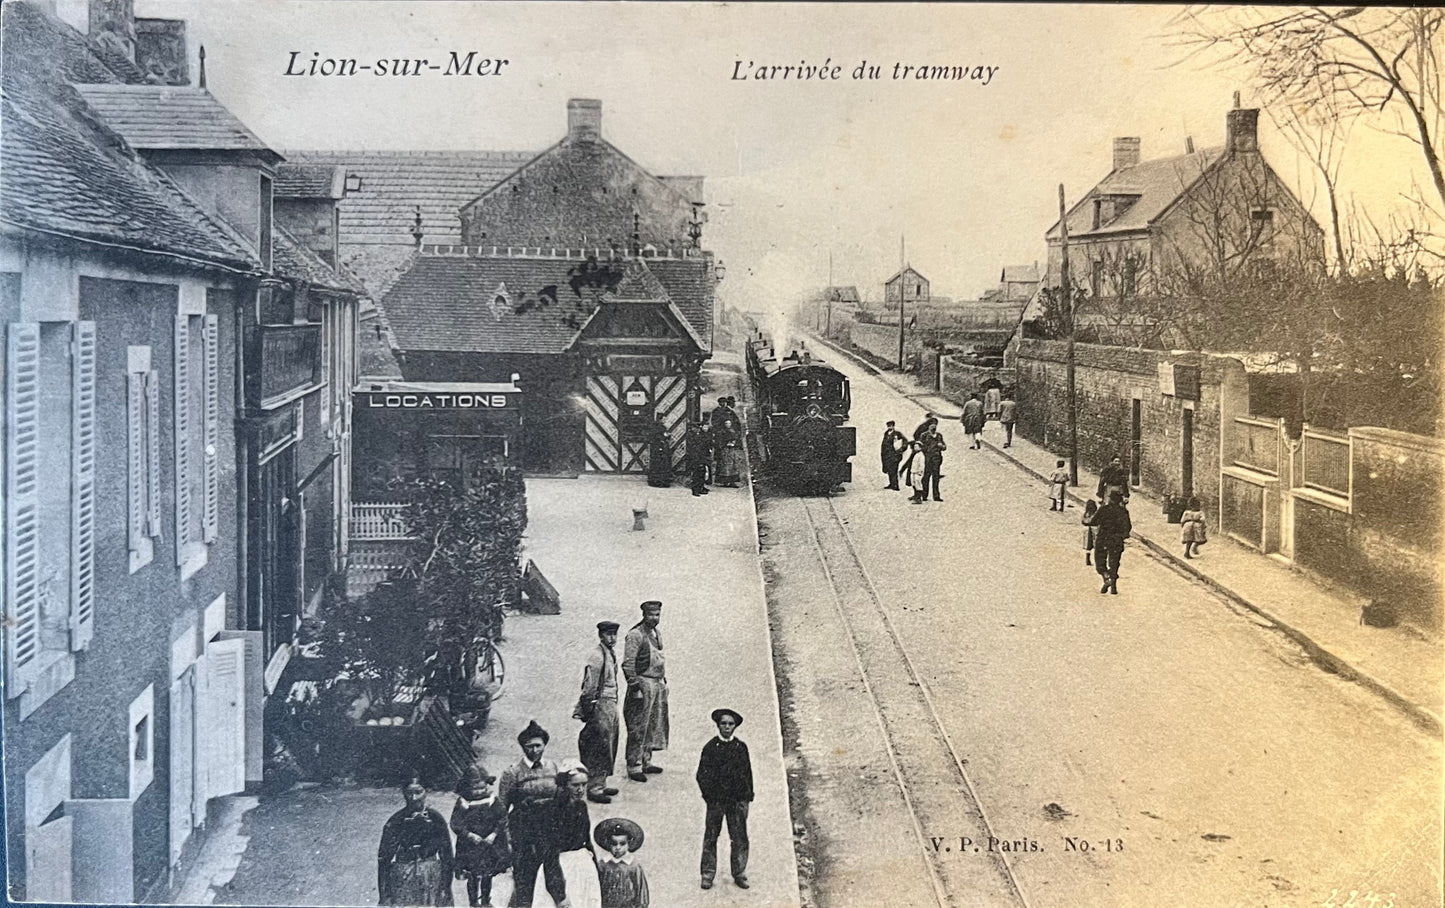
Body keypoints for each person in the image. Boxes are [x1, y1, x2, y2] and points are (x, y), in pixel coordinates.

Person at [498, 721, 565, 908]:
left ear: (544, 745)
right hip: (524, 833)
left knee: (554, 876)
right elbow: (502, 808)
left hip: (549, 830)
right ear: (523, 747)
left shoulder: (553, 767)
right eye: (530, 746)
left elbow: (561, 798)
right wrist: (508, 839)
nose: (535, 750)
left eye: (538, 745)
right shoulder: (512, 773)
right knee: (524, 879)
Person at [696, 708, 753, 891]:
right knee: (711, 837)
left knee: (739, 838)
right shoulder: (711, 748)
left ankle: (739, 873)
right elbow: (701, 775)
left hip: (736, 802)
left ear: (735, 726)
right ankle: (707, 874)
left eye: (730, 724)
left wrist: (747, 798)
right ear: (718, 725)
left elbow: (747, 774)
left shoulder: (740, 748)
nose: (727, 727)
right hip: (717, 802)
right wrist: (710, 797)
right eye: (723, 724)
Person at [378, 778, 455, 906]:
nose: (413, 798)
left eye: (418, 792)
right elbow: (384, 859)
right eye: (409, 793)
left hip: (431, 876)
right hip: (404, 876)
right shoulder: (396, 821)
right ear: (403, 793)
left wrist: (445, 887)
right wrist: (384, 893)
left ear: (426, 792)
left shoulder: (436, 819)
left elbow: (447, 855)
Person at [532, 767, 600, 908]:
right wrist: (560, 896)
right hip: (561, 872)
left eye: (584, 784)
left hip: (583, 869)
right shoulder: (551, 811)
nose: (580, 789)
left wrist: (595, 869)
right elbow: (549, 855)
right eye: (575, 785)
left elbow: (587, 841)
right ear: (564, 785)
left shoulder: (581, 806)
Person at [575, 622, 622, 804]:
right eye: (608, 634)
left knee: (609, 744)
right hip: (600, 703)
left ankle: (601, 782)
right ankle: (593, 787)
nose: (612, 638)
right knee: (598, 745)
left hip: (610, 702)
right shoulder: (597, 656)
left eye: (614, 635)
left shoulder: (609, 653)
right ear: (601, 635)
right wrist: (589, 709)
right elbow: (589, 686)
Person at [622, 601, 668, 781]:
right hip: (643, 684)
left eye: (657, 615)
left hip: (656, 683)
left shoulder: (656, 633)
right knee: (638, 726)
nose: (654, 618)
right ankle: (634, 766)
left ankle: (646, 761)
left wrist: (663, 681)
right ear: (644, 615)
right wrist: (635, 687)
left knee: (653, 725)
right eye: (651, 615)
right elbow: (628, 664)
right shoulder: (635, 635)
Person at [452, 766, 511, 908]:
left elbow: (502, 817)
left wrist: (494, 834)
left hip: (488, 845)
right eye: (475, 789)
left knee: (487, 874)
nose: (479, 792)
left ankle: (485, 901)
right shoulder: (464, 802)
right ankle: (473, 902)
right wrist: (469, 835)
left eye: (482, 788)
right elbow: (455, 823)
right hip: (471, 846)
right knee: (473, 875)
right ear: (467, 787)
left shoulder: (492, 800)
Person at [594, 818, 649, 908]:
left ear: (628, 844)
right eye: (614, 844)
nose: (618, 847)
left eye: (622, 844)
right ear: (608, 844)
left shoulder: (633, 866)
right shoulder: (602, 865)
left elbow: (641, 892)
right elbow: (595, 888)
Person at [1093, 489, 1132, 595]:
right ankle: (1113, 586)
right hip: (1117, 540)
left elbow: (1094, 521)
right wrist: (1122, 536)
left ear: (1110, 498)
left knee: (1100, 559)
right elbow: (1128, 527)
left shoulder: (1104, 509)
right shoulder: (1123, 511)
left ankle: (1106, 577)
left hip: (1103, 538)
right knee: (1114, 562)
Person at [919, 422, 947, 502]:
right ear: (928, 429)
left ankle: (936, 496)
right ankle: (924, 495)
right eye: (931, 429)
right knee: (926, 477)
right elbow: (920, 446)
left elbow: (944, 447)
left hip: (936, 459)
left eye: (934, 429)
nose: (933, 431)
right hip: (927, 459)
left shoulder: (939, 436)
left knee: (936, 477)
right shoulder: (924, 435)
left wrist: (942, 446)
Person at [645, 418, 672, 489]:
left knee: (661, 465)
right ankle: (659, 481)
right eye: (663, 419)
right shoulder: (658, 428)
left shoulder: (661, 427)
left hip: (661, 449)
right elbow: (656, 438)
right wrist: (664, 437)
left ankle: (660, 481)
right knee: (659, 465)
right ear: (660, 420)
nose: (665, 420)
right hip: (659, 449)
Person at [685, 423, 711, 497]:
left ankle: (700, 488)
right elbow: (693, 447)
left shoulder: (700, 435)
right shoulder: (691, 435)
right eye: (696, 428)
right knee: (696, 474)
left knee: (702, 472)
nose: (697, 429)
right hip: (695, 457)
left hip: (701, 456)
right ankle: (695, 489)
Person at [880, 420, 906, 490]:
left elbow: (905, 441)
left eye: (891, 426)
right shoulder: (886, 434)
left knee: (894, 469)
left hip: (894, 455)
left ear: (893, 426)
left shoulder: (897, 434)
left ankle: (895, 485)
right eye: (888, 426)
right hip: (886, 455)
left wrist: (901, 450)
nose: (889, 427)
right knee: (889, 469)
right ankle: (891, 483)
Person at [1081, 499, 1098, 566]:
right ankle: (1096, 560)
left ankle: (1087, 559)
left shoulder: (1085, 514)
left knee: (1088, 546)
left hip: (1087, 530)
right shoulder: (1095, 514)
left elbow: (1083, 521)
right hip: (1095, 530)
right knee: (1096, 545)